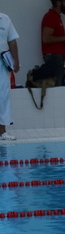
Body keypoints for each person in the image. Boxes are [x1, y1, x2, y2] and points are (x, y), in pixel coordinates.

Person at [40, 0, 65, 86]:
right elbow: (46, 38)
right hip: (54, 58)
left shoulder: (56, 17)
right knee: (57, 87)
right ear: (58, 3)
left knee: (62, 85)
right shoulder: (51, 17)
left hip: (57, 57)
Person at [0, 12, 20, 141]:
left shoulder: (5, 18)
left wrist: (16, 61)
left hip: (2, 62)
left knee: (3, 95)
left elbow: (12, 41)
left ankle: (2, 131)